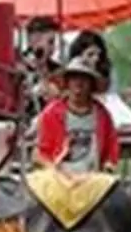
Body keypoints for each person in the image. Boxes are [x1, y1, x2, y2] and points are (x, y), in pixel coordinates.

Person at [32, 37, 122, 172]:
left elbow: (112, 151)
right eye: (74, 78)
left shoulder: (102, 115)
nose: (78, 83)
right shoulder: (51, 113)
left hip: (93, 180)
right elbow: (39, 153)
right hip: (59, 179)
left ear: (91, 83)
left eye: (83, 78)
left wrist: (108, 168)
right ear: (67, 82)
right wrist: (52, 169)